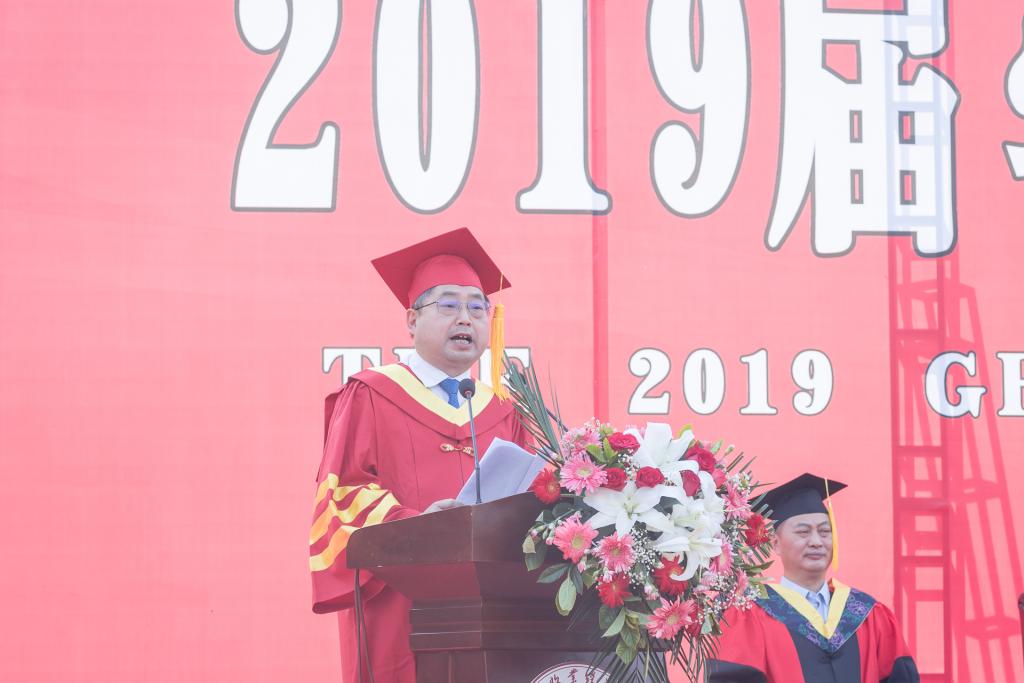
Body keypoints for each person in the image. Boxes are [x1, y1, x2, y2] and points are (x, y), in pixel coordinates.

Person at [309, 228, 531, 682]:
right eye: (448, 305)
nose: (465, 318)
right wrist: (415, 526)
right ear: (411, 320)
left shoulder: (504, 411)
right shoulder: (371, 395)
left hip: (489, 607)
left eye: (477, 307)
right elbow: (342, 494)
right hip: (397, 596)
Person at [710, 473, 920, 682]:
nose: (816, 542)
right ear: (775, 543)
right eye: (803, 532)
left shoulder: (869, 615)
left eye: (825, 531)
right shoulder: (752, 616)